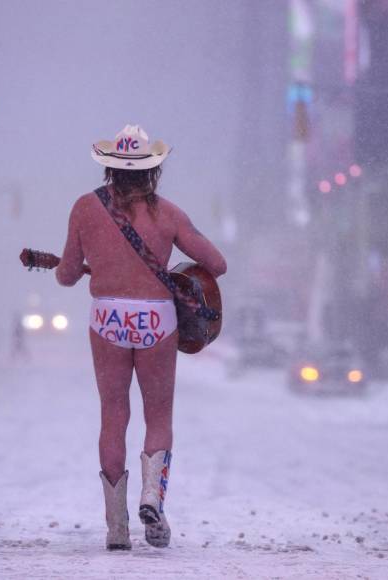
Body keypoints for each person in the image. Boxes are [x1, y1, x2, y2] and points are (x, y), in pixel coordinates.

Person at [55, 125, 227, 550]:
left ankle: (116, 527)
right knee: (158, 415)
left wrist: (84, 264)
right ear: (153, 171)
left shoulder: (84, 208)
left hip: (107, 317)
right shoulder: (169, 214)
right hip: (156, 320)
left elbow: (66, 275)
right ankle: (153, 495)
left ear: (110, 169)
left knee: (114, 415)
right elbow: (217, 264)